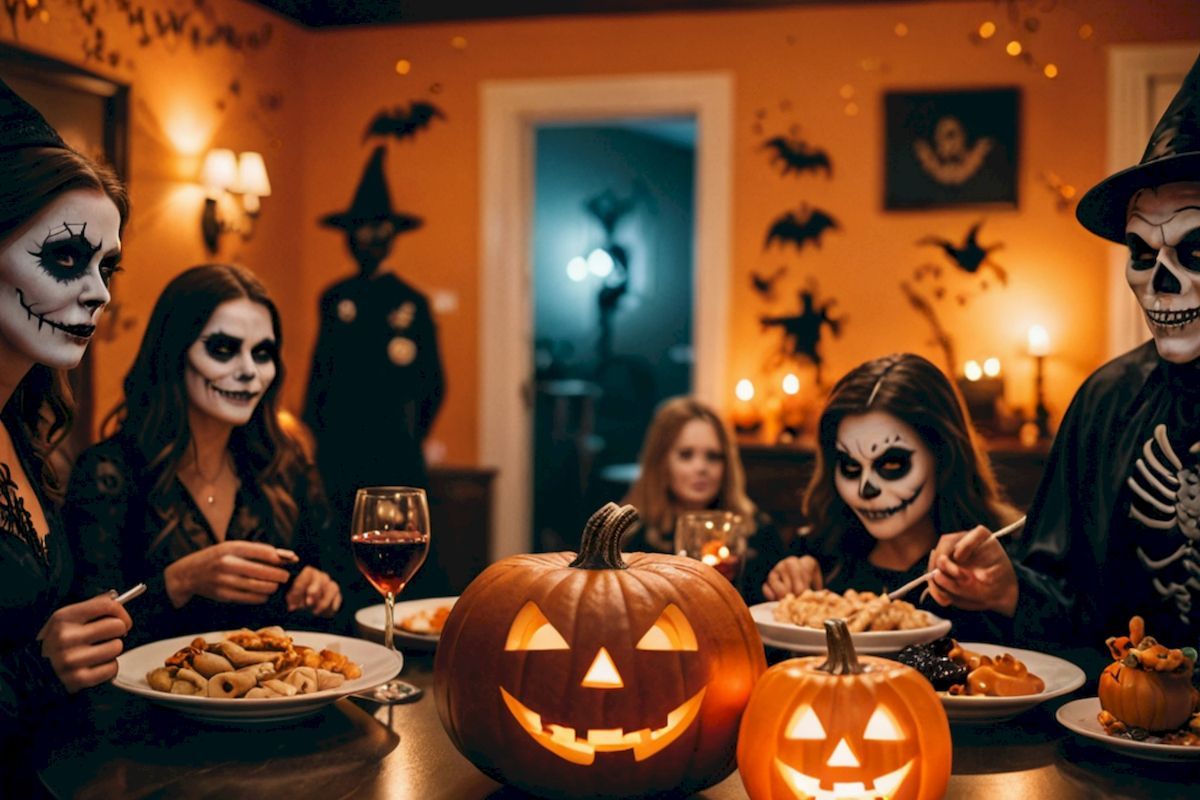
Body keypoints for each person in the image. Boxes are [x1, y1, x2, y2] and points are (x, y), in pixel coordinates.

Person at [926, 52, 1200, 654]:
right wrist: (1009, 588)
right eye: (1140, 253)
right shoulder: (1106, 403)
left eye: (1193, 253)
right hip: (1118, 727)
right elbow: (1067, 606)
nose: (1161, 282)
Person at [65, 264, 344, 647]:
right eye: (223, 349)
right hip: (146, 704)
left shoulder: (283, 465)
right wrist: (179, 582)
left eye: (262, 353)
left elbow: (335, 585)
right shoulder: (110, 473)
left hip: (275, 702)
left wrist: (321, 588)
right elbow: (86, 632)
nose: (248, 371)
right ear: (174, 353)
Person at [0, 78, 132, 792]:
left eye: (107, 266)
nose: (100, 292)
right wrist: (36, 669)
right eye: (65, 258)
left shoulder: (24, 432)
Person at [762, 353, 1019, 637]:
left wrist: (1009, 595)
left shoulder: (999, 562)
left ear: (943, 456)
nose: (865, 489)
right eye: (849, 467)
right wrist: (784, 594)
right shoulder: (820, 555)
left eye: (892, 464)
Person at [303, 146, 445, 533]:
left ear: (392, 235)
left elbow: (433, 382)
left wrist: (413, 436)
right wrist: (314, 437)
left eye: (377, 230)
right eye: (360, 229)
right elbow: (319, 374)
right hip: (338, 454)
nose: (367, 238)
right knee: (339, 544)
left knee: (399, 542)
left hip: (395, 453)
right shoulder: (333, 298)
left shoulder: (411, 302)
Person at [621, 396, 785, 603]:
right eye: (686, 455)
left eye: (713, 456)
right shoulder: (632, 537)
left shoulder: (759, 533)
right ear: (661, 462)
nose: (701, 468)